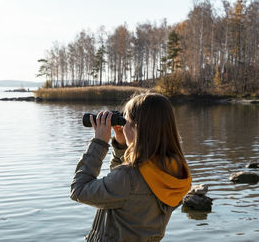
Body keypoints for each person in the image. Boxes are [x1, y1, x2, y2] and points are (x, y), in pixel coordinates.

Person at [70, 93, 192, 242]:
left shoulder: (128, 177)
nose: (123, 126)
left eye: (125, 120)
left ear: (136, 128)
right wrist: (122, 147)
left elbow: (79, 190)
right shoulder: (175, 171)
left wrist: (99, 143)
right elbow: (120, 190)